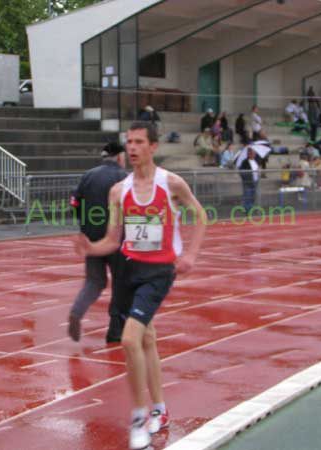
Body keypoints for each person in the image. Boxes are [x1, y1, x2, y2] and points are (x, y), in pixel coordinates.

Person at [74, 121, 206, 450]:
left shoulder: (171, 183)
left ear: (153, 147)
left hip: (159, 271)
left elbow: (200, 215)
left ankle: (138, 418)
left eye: (138, 142)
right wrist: (92, 248)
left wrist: (189, 253)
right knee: (146, 337)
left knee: (129, 338)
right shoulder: (119, 191)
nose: (132, 148)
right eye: (128, 142)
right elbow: (111, 240)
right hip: (128, 270)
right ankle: (160, 409)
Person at [68, 142, 128, 343]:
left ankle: (77, 312)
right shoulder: (124, 177)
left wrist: (84, 225)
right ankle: (115, 330)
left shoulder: (89, 175)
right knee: (120, 282)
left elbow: (75, 202)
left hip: (91, 237)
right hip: (116, 238)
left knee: (94, 281)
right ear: (120, 157)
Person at [238, 147, 261, 213]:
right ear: (249, 153)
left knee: (253, 196)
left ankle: (251, 209)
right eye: (251, 153)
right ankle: (247, 210)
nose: (253, 154)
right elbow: (241, 172)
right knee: (247, 196)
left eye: (254, 153)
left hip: (255, 181)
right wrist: (247, 177)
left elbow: (257, 169)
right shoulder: (244, 162)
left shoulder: (256, 161)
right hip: (248, 182)